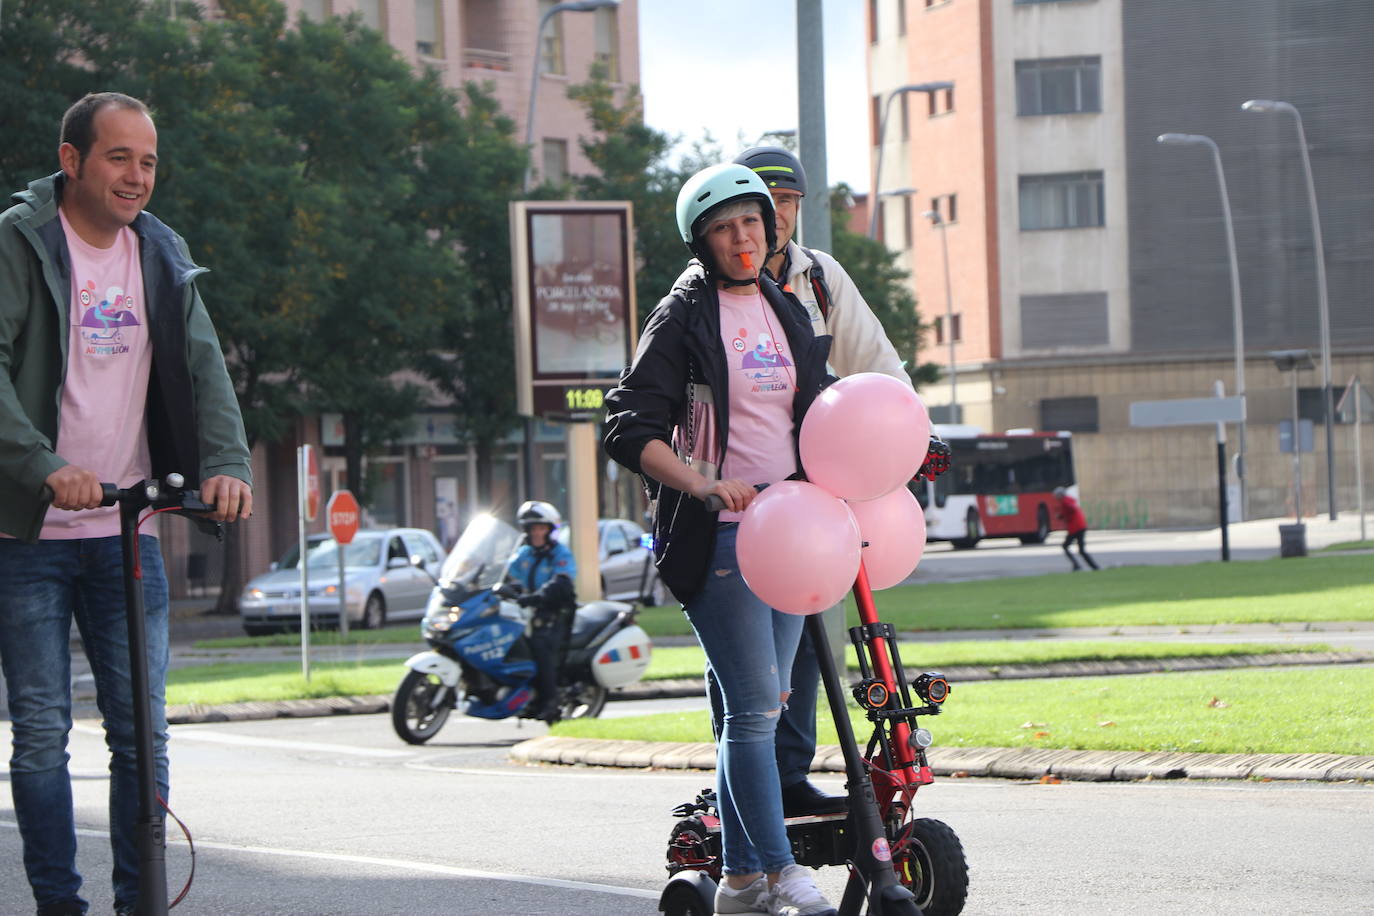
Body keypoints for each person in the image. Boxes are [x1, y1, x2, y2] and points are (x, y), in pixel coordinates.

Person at [0, 92, 253, 916]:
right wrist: (43, 464)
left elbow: (204, 363)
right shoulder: (19, 242)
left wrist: (224, 465)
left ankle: (137, 903)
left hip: (126, 528)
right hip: (26, 530)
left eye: (147, 161)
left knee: (141, 734)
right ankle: (58, 906)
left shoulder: (159, 251)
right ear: (71, 160)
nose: (136, 176)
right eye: (118, 157)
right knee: (41, 731)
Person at [604, 162, 838, 916]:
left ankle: (738, 881)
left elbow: (816, 410)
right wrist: (700, 483)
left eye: (751, 222)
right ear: (702, 242)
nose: (742, 238)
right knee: (754, 708)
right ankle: (783, 872)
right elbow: (627, 425)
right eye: (723, 227)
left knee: (760, 705)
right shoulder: (684, 316)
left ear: (770, 228)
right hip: (724, 537)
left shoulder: (784, 305)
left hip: (795, 534)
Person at [699, 146, 949, 819]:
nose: (774, 218)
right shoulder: (707, 290)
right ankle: (745, 788)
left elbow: (877, 363)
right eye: (761, 204)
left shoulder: (819, 279)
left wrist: (912, 430)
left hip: (819, 492)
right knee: (751, 662)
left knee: (817, 632)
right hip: (746, 495)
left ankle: (788, 772)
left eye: (787, 205)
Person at [502, 500, 577, 722]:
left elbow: (561, 581)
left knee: (541, 650)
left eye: (541, 528)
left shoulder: (560, 554)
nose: (536, 533)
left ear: (550, 530)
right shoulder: (524, 554)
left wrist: (539, 596)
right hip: (526, 611)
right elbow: (507, 575)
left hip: (554, 613)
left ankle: (550, 702)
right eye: (532, 528)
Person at [1055, 486, 1099, 571]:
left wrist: (1063, 515)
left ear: (1060, 495)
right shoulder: (1068, 500)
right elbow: (1068, 512)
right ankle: (1094, 567)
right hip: (1080, 526)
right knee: (1081, 550)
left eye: (1057, 495)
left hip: (1075, 528)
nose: (1056, 498)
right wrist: (1061, 516)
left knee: (1066, 546)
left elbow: (1071, 509)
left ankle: (1078, 565)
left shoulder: (1065, 501)